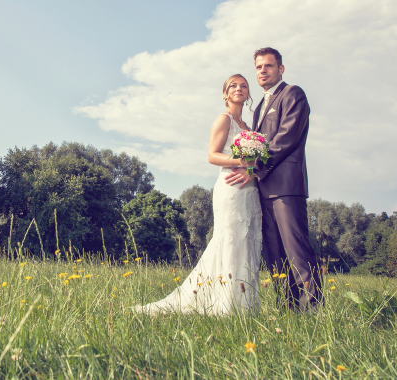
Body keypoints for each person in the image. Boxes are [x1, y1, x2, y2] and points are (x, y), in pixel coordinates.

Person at [131, 74, 262, 315]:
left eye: (243, 86)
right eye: (233, 85)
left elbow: (256, 163)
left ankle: (245, 305)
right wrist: (241, 160)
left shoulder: (249, 129)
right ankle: (225, 305)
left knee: (248, 242)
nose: (239, 89)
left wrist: (252, 170)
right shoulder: (224, 120)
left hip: (250, 191)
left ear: (248, 94)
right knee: (230, 241)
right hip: (231, 187)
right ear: (225, 94)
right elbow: (212, 155)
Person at [225, 47, 322, 310]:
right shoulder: (257, 109)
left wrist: (253, 167)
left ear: (280, 69)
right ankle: (287, 308)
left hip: (287, 187)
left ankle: (313, 310)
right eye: (258, 67)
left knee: (297, 250)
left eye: (268, 66)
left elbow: (286, 138)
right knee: (275, 254)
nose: (263, 71)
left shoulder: (293, 94)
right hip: (263, 189)